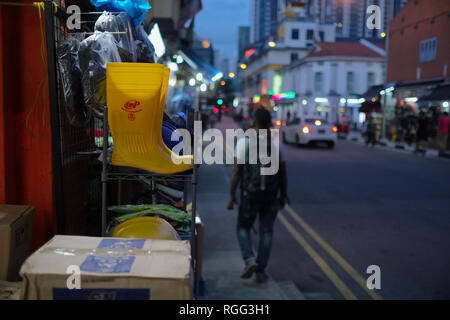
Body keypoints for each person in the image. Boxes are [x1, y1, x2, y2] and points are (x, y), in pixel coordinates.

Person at [227, 108, 287, 283]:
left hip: (249, 195)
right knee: (266, 232)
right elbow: (283, 173)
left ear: (253, 122)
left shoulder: (244, 141)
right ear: (270, 123)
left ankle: (249, 259)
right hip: (270, 196)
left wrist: (232, 195)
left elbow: (236, 172)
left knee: (242, 227)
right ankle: (261, 271)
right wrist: (283, 195)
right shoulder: (277, 143)